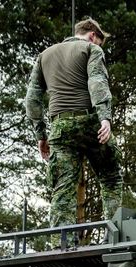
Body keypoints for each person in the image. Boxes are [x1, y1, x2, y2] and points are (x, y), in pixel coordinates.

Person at [25, 17, 122, 227]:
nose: (98, 46)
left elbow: (32, 99)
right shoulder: (91, 49)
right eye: (99, 41)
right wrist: (105, 118)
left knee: (62, 188)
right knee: (111, 176)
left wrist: (40, 135)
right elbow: (97, 82)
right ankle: (116, 232)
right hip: (90, 123)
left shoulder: (44, 56)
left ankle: (61, 244)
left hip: (60, 128)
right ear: (92, 35)